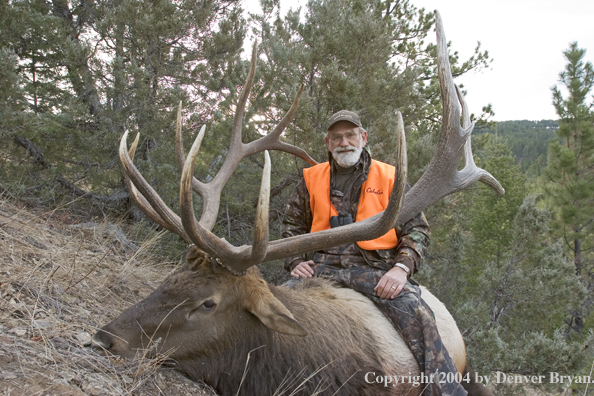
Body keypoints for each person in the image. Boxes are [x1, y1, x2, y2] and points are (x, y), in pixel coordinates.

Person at [282, 110, 467, 396]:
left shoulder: (390, 177)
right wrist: (295, 261)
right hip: (321, 267)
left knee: (417, 314)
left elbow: (417, 229)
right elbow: (292, 227)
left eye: (350, 135)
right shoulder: (310, 179)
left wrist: (401, 269)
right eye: (337, 137)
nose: (344, 142)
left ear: (363, 137)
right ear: (328, 143)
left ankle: (445, 390)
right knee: (274, 310)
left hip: (373, 271)